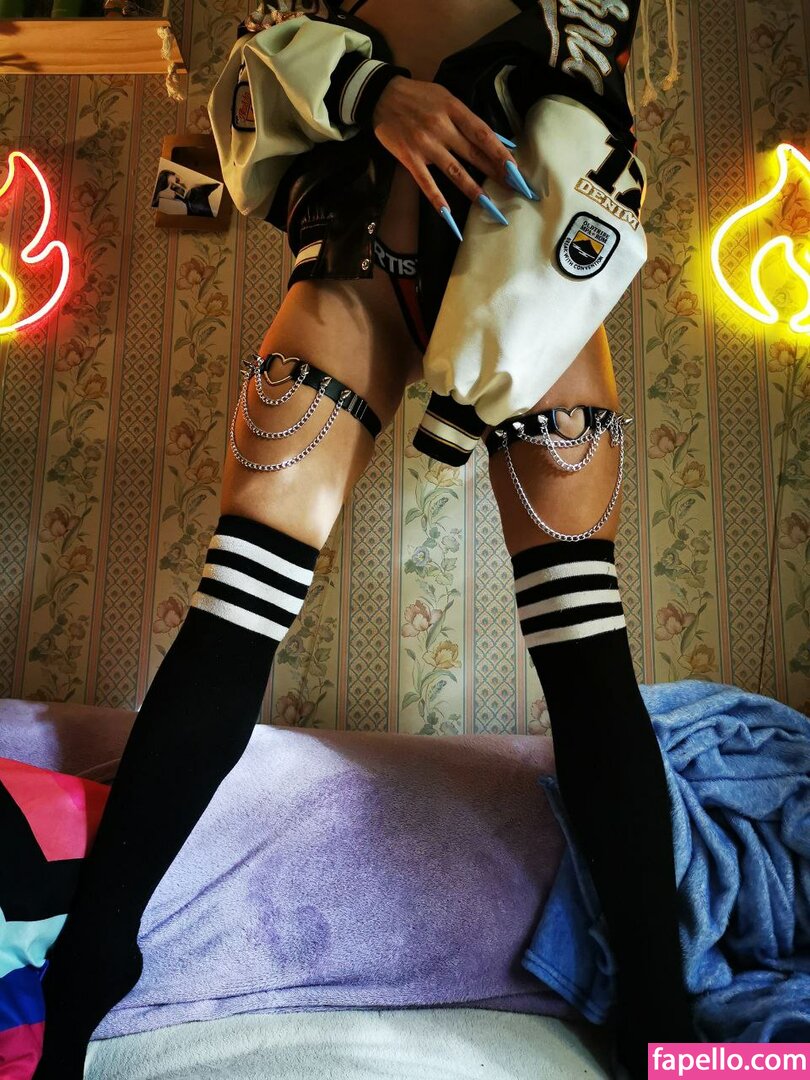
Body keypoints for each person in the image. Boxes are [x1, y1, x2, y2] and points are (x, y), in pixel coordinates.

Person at [33, 2, 696, 1078]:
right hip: (502, 271)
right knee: (568, 650)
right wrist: (378, 94)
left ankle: (79, 984)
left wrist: (370, 90)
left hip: (408, 257)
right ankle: (665, 1030)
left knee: (265, 616)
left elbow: (260, 85)